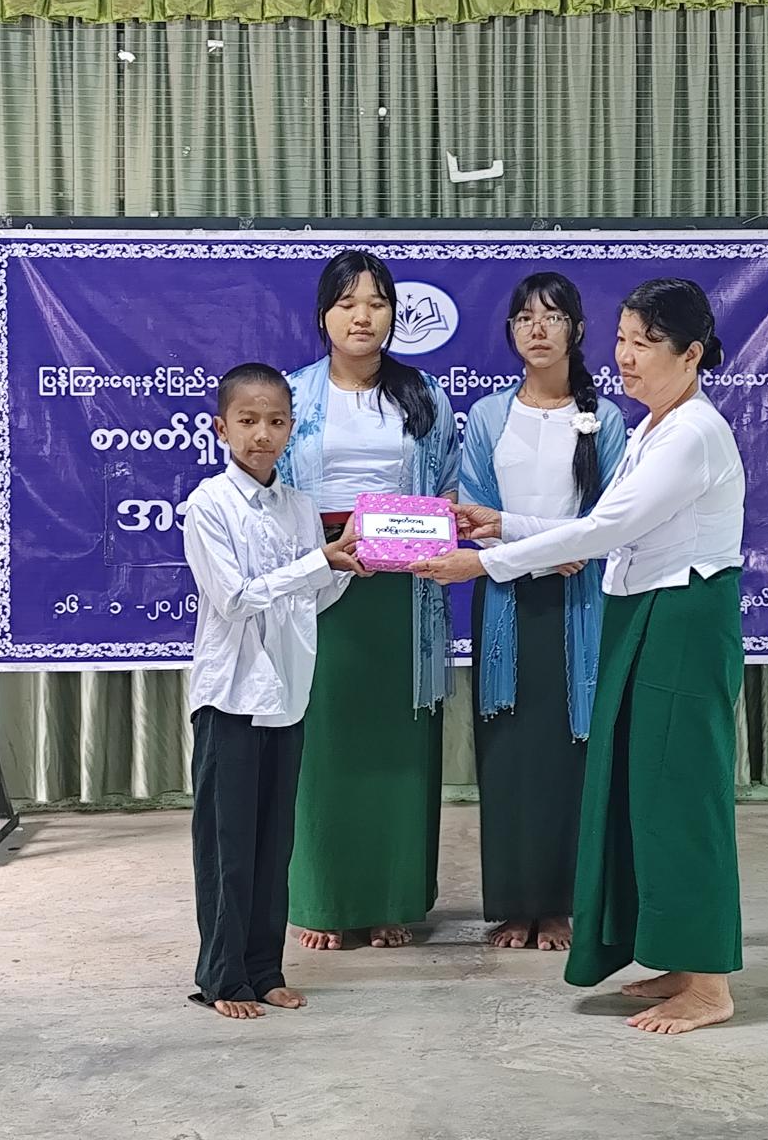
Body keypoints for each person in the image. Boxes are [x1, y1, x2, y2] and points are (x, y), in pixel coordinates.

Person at [414, 278, 746, 1036]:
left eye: (645, 344)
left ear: (691, 354)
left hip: (682, 618)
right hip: (646, 611)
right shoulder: (655, 425)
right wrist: (503, 524)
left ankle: (710, 984)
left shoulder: (692, 433)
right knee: (646, 798)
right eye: (622, 339)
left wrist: (483, 561)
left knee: (681, 799)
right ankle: (680, 958)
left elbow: (601, 532)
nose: (625, 357)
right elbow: (601, 524)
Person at [277, 249, 459, 952]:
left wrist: (428, 531)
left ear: (393, 315)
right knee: (324, 742)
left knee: (399, 744)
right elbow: (269, 491)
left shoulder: (425, 395)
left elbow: (447, 484)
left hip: (404, 590)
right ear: (323, 314)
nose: (363, 316)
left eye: (377, 303)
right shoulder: (292, 395)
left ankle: (391, 897)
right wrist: (319, 551)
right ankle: (321, 899)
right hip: (320, 579)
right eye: (348, 303)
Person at [181, 363, 367, 1020]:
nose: (263, 434)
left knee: (273, 844)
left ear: (292, 427)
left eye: (277, 421)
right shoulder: (208, 505)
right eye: (248, 420)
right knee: (227, 846)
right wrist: (319, 562)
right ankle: (222, 977)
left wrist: (350, 563)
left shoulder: (299, 507)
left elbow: (312, 598)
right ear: (221, 427)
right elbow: (233, 599)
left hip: (286, 694)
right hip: (231, 697)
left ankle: (264, 970)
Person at [459, 272, 627, 952]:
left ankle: (559, 906)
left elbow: (612, 521)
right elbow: (474, 516)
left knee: (568, 755)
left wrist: (560, 547)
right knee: (507, 752)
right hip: (504, 598)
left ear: (577, 331)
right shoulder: (486, 417)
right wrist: (543, 547)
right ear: (511, 332)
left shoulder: (606, 420)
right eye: (525, 317)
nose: (537, 328)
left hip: (578, 602)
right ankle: (514, 903)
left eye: (552, 317)